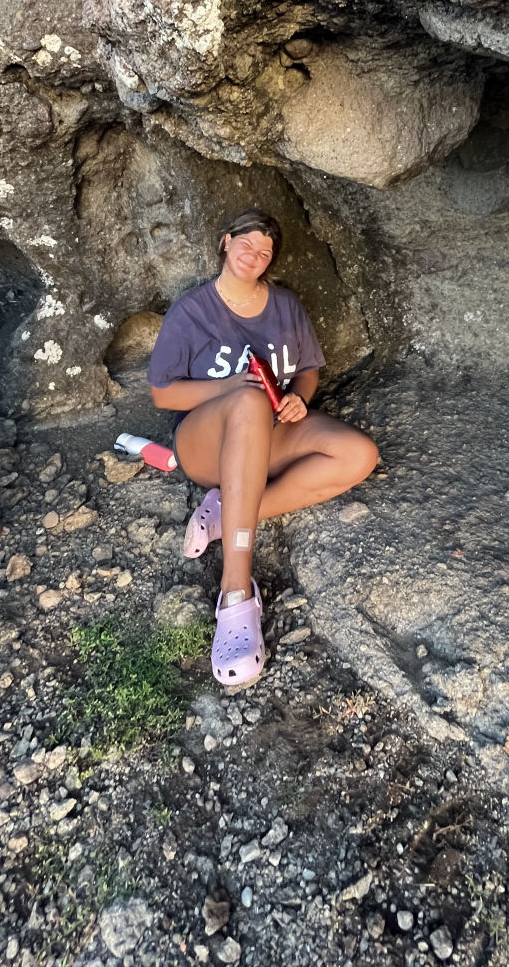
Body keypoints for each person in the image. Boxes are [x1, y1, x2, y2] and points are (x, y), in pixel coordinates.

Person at [147, 207, 379, 687]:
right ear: (226, 242)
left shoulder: (285, 306)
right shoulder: (191, 311)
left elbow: (308, 369)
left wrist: (300, 399)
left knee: (359, 455)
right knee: (250, 398)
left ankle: (225, 512)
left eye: (265, 252)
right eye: (246, 244)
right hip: (206, 442)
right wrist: (230, 388)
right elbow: (162, 394)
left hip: (271, 431)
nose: (253, 255)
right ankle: (236, 594)